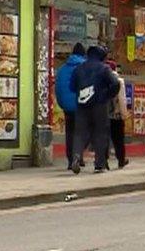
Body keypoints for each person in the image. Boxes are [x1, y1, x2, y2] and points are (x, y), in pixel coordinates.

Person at [69, 46, 119, 174]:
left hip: (82, 105)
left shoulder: (79, 68)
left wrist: (82, 92)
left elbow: (72, 86)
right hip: (99, 105)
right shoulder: (104, 68)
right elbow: (115, 83)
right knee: (100, 133)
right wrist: (107, 95)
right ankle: (99, 164)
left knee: (80, 133)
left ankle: (76, 157)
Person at [55, 43, 87, 170]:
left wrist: (62, 103)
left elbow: (58, 88)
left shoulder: (62, 68)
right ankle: (77, 156)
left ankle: (71, 159)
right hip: (80, 105)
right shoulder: (84, 67)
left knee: (70, 132)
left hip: (66, 106)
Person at [105, 60, 129, 169]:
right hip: (116, 115)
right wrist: (124, 113)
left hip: (104, 115)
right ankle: (121, 160)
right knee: (118, 139)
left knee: (104, 138)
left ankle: (103, 161)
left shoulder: (102, 80)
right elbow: (122, 99)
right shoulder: (119, 81)